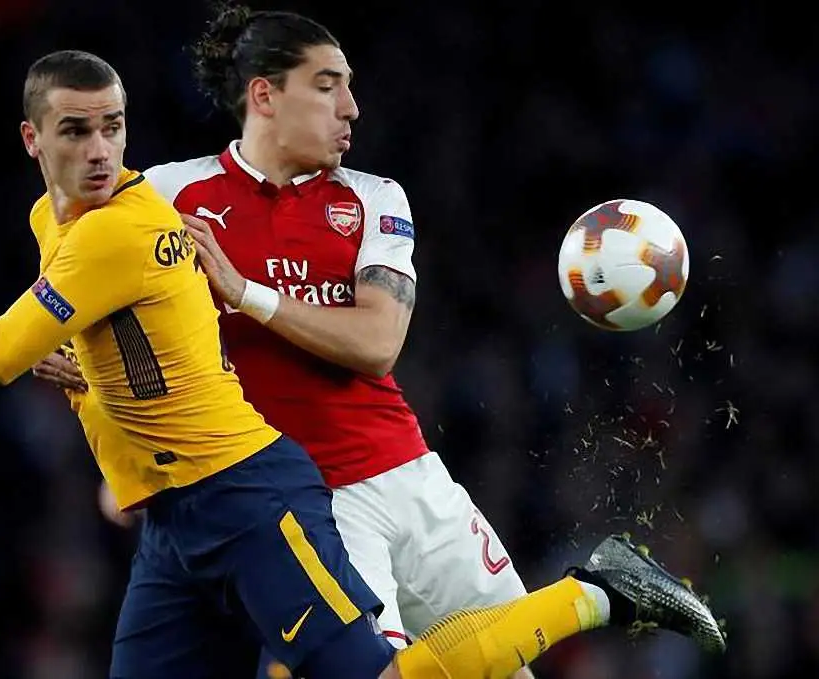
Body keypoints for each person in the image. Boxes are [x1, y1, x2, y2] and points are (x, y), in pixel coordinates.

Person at [0, 51, 724, 679]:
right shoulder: (55, 223)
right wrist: (101, 406)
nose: (102, 149)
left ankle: (597, 589)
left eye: (114, 126)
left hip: (247, 495)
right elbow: (142, 350)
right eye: (76, 131)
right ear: (33, 140)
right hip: (175, 521)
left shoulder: (122, 228)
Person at [35, 6, 531, 675]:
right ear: (264, 95)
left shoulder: (375, 198)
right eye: (327, 87)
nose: (351, 108)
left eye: (349, 87)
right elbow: (96, 310)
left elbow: (377, 343)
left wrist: (244, 292)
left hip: (411, 475)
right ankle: (594, 594)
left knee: (513, 665)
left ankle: (595, 595)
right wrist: (118, 448)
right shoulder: (165, 195)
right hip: (308, 504)